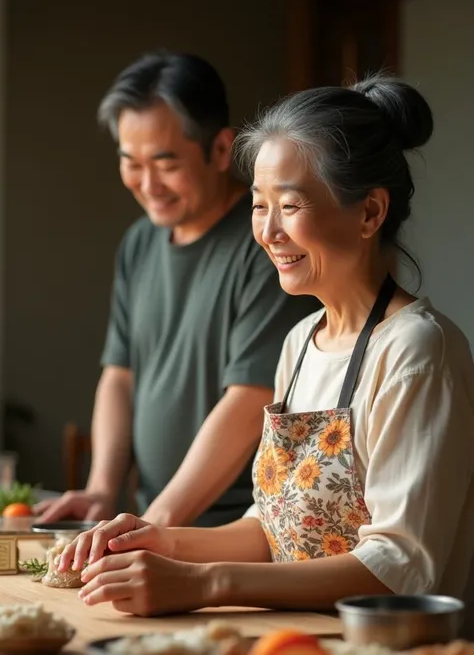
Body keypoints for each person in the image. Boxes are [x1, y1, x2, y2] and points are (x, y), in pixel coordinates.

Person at [59, 76, 474, 631]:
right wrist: (154, 538)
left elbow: (401, 567)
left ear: (371, 212)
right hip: (292, 638)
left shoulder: (419, 350)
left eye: (290, 205)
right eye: (259, 206)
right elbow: (272, 529)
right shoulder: (301, 342)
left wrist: (206, 583)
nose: (269, 231)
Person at [35, 51, 318, 528]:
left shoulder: (268, 245)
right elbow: (120, 376)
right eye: (131, 163)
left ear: (222, 150)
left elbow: (251, 400)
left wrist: (158, 523)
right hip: (152, 518)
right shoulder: (139, 242)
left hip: (236, 530)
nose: (148, 185)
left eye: (166, 164)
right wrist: (103, 491)